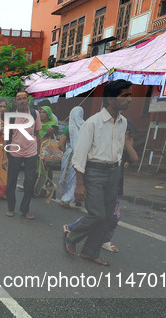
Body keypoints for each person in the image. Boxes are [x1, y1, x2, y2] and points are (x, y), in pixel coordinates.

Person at [63, 79, 133, 266]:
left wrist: (119, 167)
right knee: (97, 214)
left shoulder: (123, 122)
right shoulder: (92, 123)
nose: (130, 99)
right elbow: (80, 154)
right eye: (124, 95)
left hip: (113, 172)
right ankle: (72, 235)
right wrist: (79, 183)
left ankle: (90, 252)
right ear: (111, 99)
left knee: (108, 217)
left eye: (130, 95)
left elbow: (118, 149)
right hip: (93, 172)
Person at [2, 91, 42, 219]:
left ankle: (25, 209)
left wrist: (39, 152)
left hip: (31, 152)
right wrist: (4, 157)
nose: (22, 101)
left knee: (30, 182)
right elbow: (5, 138)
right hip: (14, 152)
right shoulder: (11, 116)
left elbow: (38, 134)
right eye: (19, 99)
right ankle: (11, 207)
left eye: (25, 98)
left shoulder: (35, 114)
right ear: (15, 102)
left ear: (28, 100)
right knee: (11, 182)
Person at [58, 107, 85, 209]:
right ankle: (77, 198)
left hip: (70, 155)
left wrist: (67, 152)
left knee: (67, 177)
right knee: (79, 177)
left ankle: (65, 200)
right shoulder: (86, 126)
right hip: (82, 155)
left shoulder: (68, 128)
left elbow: (60, 144)